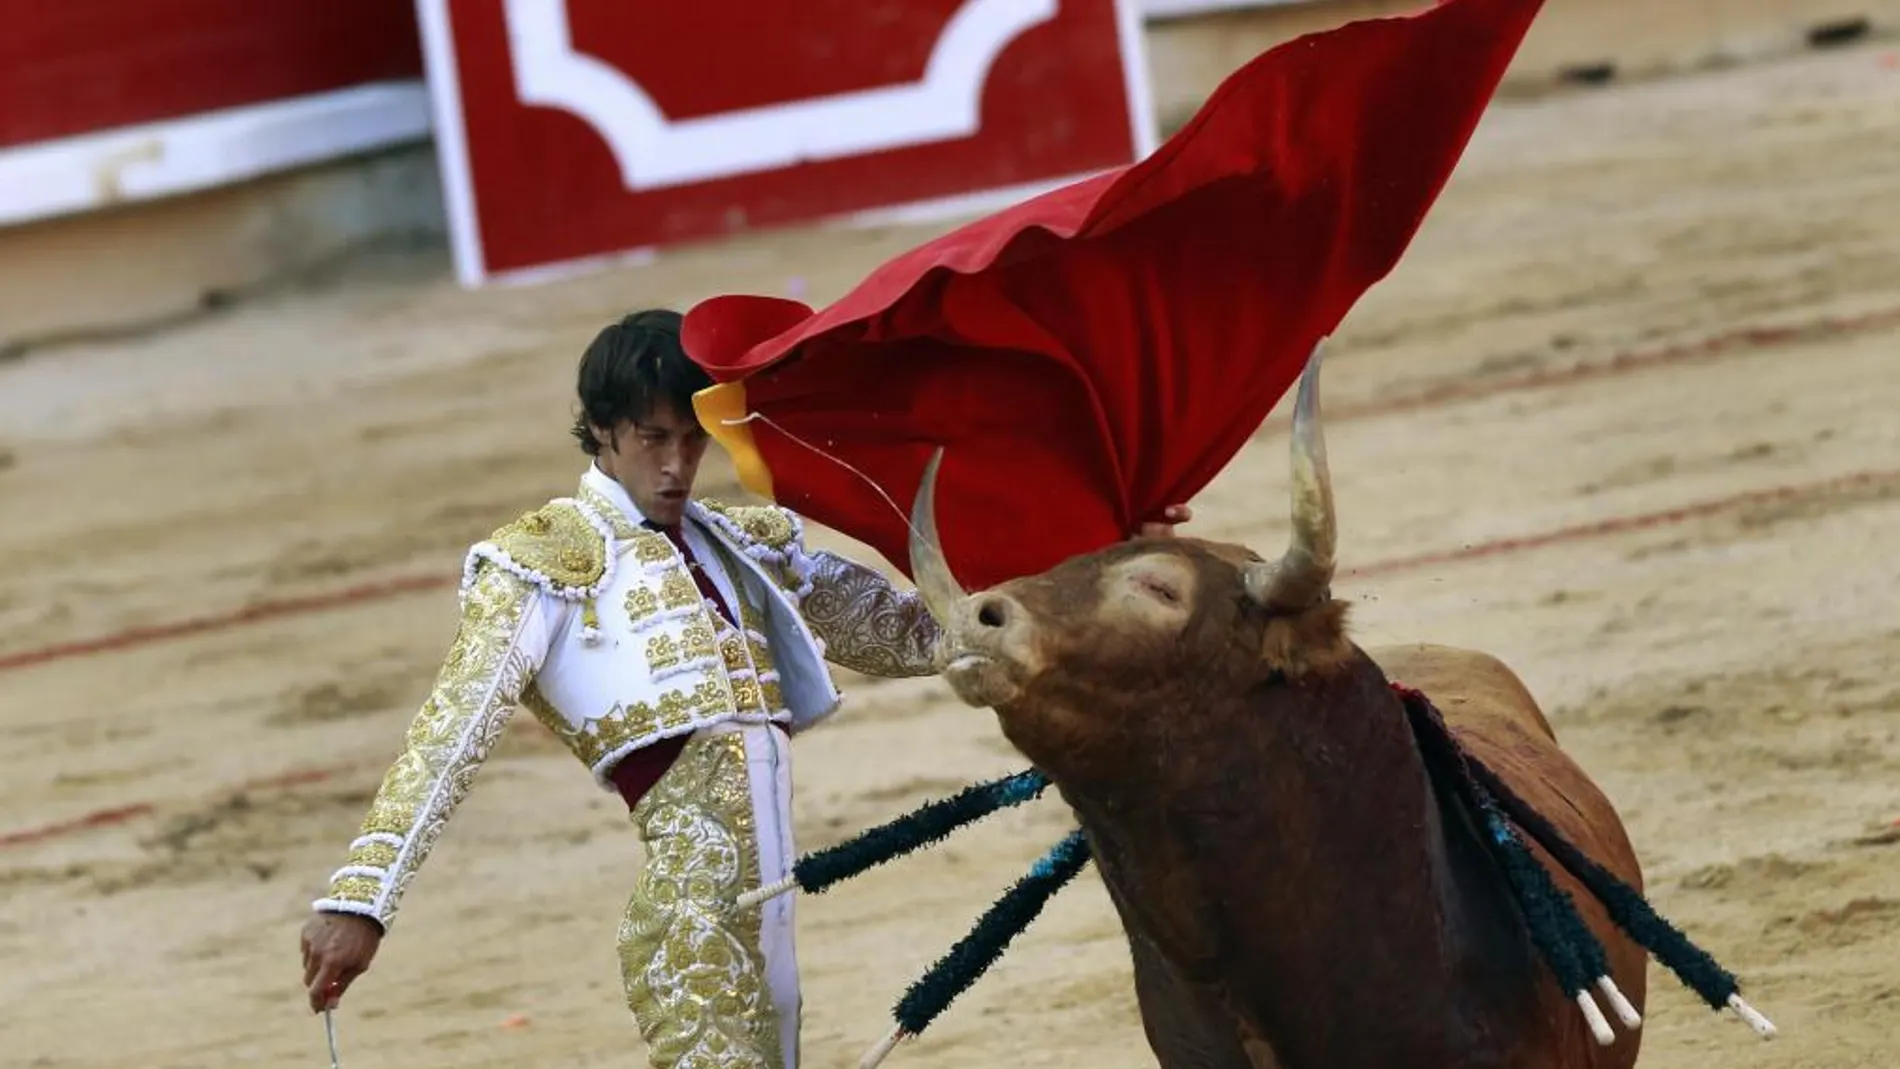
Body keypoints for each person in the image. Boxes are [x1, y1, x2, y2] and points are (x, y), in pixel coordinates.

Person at [298, 308, 1190, 1069]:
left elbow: (925, 634)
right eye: (654, 437)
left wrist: (1103, 557)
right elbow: (450, 731)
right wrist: (359, 900)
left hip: (768, 901)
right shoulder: (543, 560)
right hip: (693, 917)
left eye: (694, 439)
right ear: (602, 430)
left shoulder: (745, 544)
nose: (678, 464)